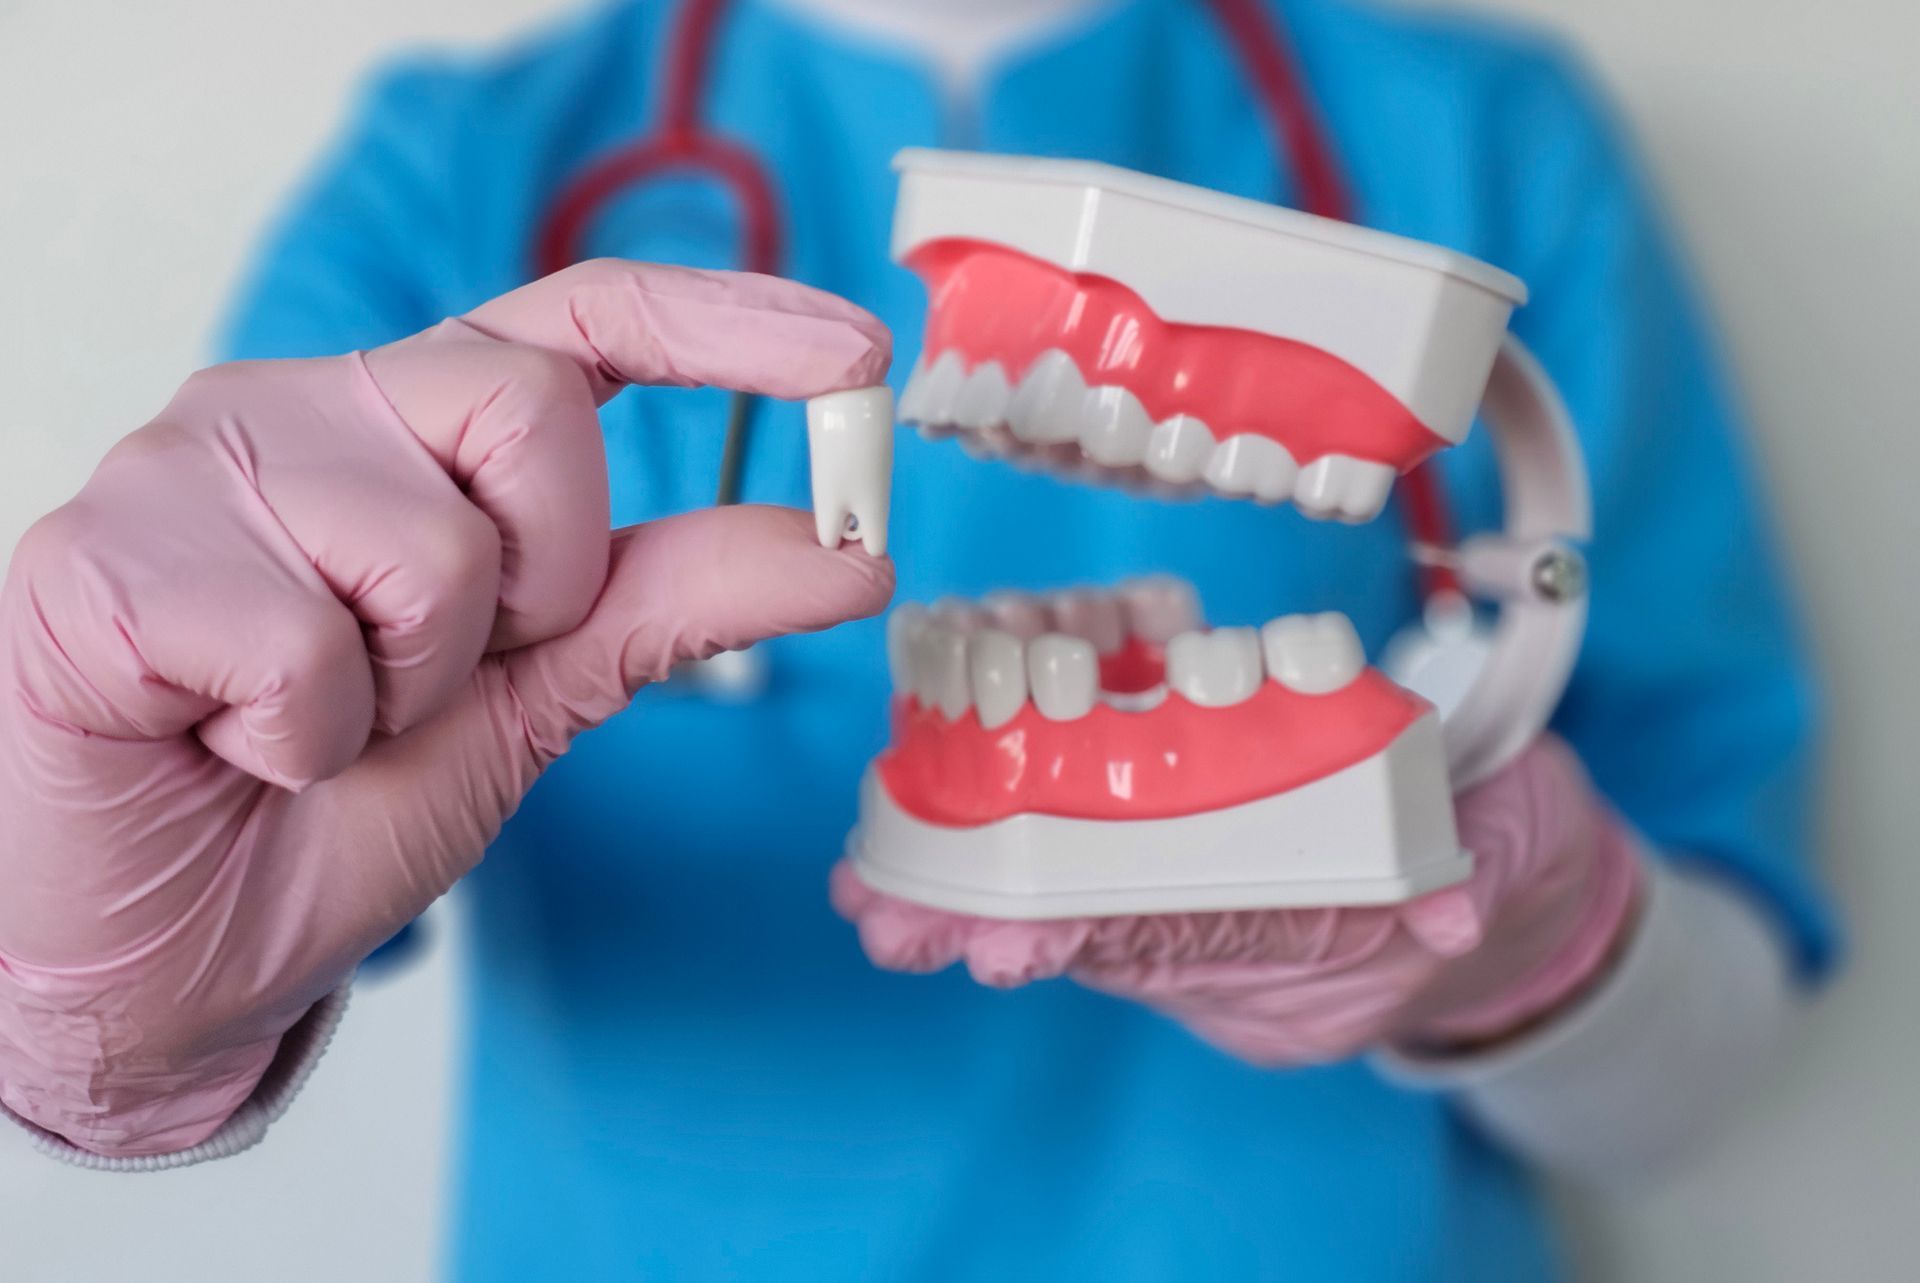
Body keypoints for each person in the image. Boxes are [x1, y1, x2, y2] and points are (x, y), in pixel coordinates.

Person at [0, 0, 1833, 1278]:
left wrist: (1534, 949)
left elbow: (1704, 1068)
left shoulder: (1481, 136)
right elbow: (240, 788)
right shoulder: (459, 176)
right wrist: (90, 1005)